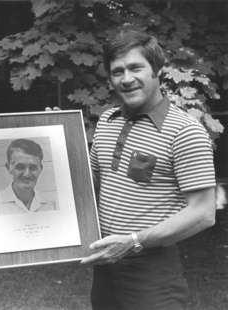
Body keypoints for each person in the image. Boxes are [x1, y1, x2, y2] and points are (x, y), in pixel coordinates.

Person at [81, 29, 216, 310]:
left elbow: (203, 214)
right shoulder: (107, 121)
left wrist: (133, 242)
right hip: (105, 269)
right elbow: (89, 184)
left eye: (135, 68)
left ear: (157, 70)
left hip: (152, 274)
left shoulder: (185, 131)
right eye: (117, 71)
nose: (127, 79)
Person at [0, 138, 58, 215]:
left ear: (40, 169)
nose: (27, 174)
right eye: (20, 167)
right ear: (8, 168)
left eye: (33, 167)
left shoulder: (50, 205)